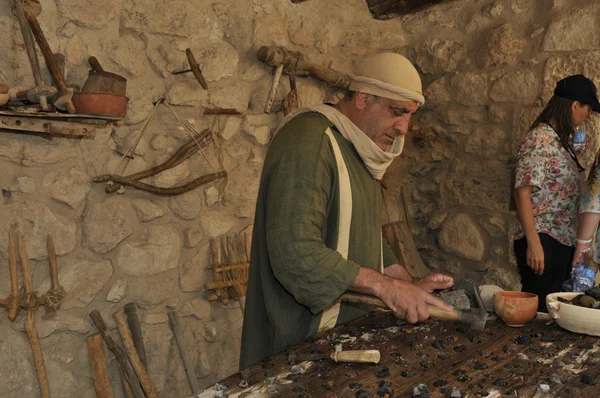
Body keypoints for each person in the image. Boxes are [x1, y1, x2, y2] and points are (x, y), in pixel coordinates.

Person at [240, 53, 455, 369]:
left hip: (342, 340)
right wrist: (385, 287)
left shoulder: (360, 145)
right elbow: (295, 252)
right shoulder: (309, 140)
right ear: (364, 99)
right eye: (398, 112)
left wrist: (406, 284)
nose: (404, 129)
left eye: (409, 116)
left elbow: (361, 230)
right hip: (299, 344)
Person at [513, 74, 599, 311]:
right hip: (543, 240)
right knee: (538, 311)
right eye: (588, 109)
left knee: (552, 314)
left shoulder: (560, 140)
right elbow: (522, 192)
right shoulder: (539, 139)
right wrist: (533, 243)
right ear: (574, 106)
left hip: (560, 241)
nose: (587, 116)